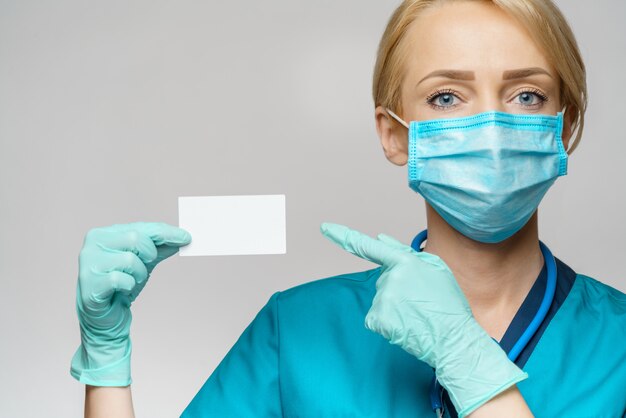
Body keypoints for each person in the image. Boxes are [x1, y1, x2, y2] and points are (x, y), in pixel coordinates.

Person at [71, 1, 626, 417]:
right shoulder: (299, 331)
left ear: (564, 126)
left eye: (526, 95)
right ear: (394, 136)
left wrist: (471, 363)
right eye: (446, 98)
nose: (492, 129)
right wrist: (107, 364)